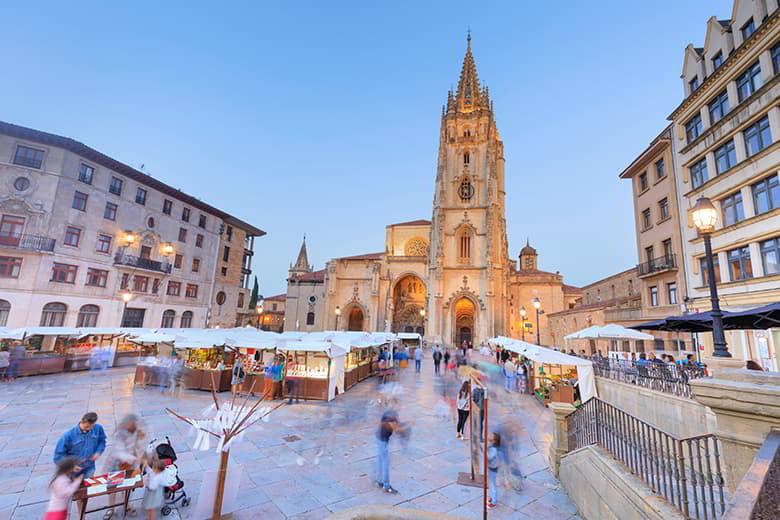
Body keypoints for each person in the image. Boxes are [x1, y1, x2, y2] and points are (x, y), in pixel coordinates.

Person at [106, 414, 145, 517]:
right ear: (128, 423)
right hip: (117, 463)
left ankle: (127, 505)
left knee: (128, 486)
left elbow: (138, 446)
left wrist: (140, 453)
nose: (135, 425)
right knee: (112, 487)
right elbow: (119, 451)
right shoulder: (119, 434)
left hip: (130, 464)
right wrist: (134, 459)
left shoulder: (136, 431)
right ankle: (111, 509)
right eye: (133, 423)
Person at [53, 412, 106, 478]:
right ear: (82, 421)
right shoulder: (68, 436)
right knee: (74, 487)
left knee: (88, 487)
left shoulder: (98, 428)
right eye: (86, 427)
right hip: (72, 471)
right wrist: (71, 467)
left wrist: (98, 452)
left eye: (92, 426)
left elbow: (102, 441)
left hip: (89, 467)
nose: (89, 429)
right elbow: (58, 456)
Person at [376, 410, 401, 493]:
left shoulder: (386, 413)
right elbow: (397, 430)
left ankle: (379, 481)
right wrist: (409, 424)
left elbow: (380, 424)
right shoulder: (392, 415)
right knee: (385, 463)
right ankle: (386, 486)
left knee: (380, 461)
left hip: (379, 438)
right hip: (383, 441)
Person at [487, 432, 500, 509]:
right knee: (491, 484)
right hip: (492, 467)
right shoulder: (493, 447)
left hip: (493, 468)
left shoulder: (494, 449)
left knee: (493, 485)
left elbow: (489, 457)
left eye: (492, 438)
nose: (490, 439)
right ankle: (492, 497)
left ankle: (494, 502)